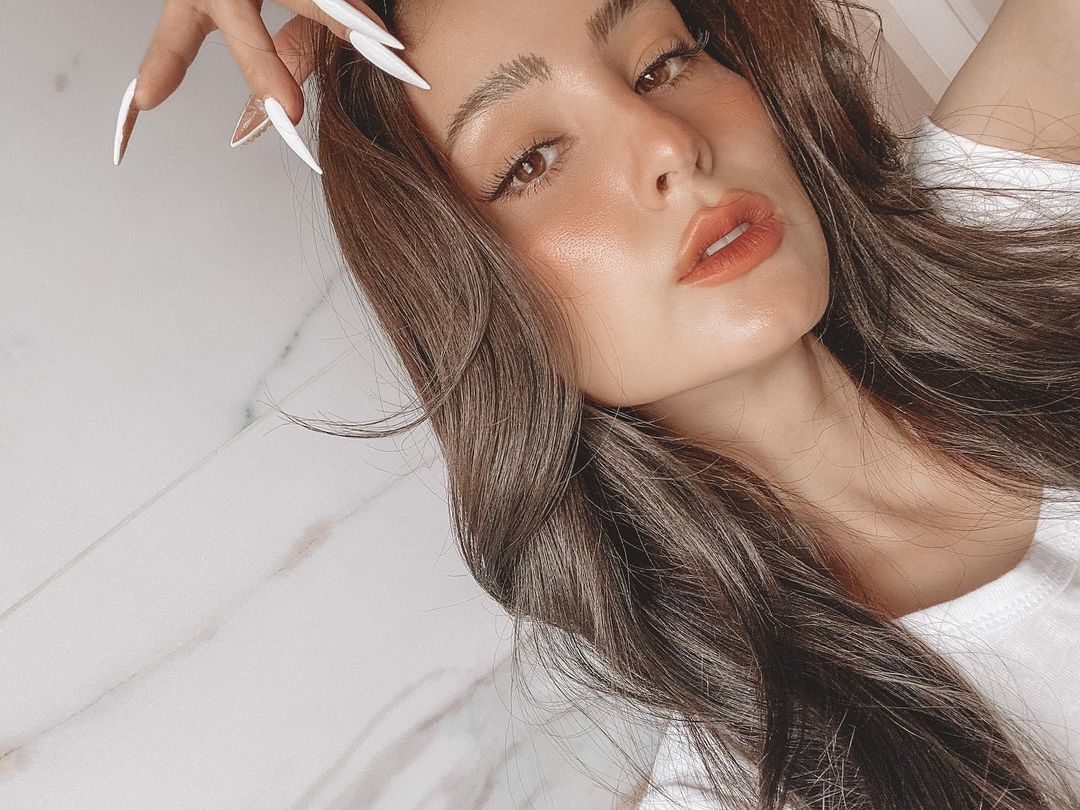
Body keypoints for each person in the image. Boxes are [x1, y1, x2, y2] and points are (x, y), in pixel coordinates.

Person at [113, 0, 1080, 806]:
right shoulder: (756, 784)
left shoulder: (1008, 224)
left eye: (662, 63)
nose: (670, 143)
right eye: (532, 159)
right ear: (473, 302)